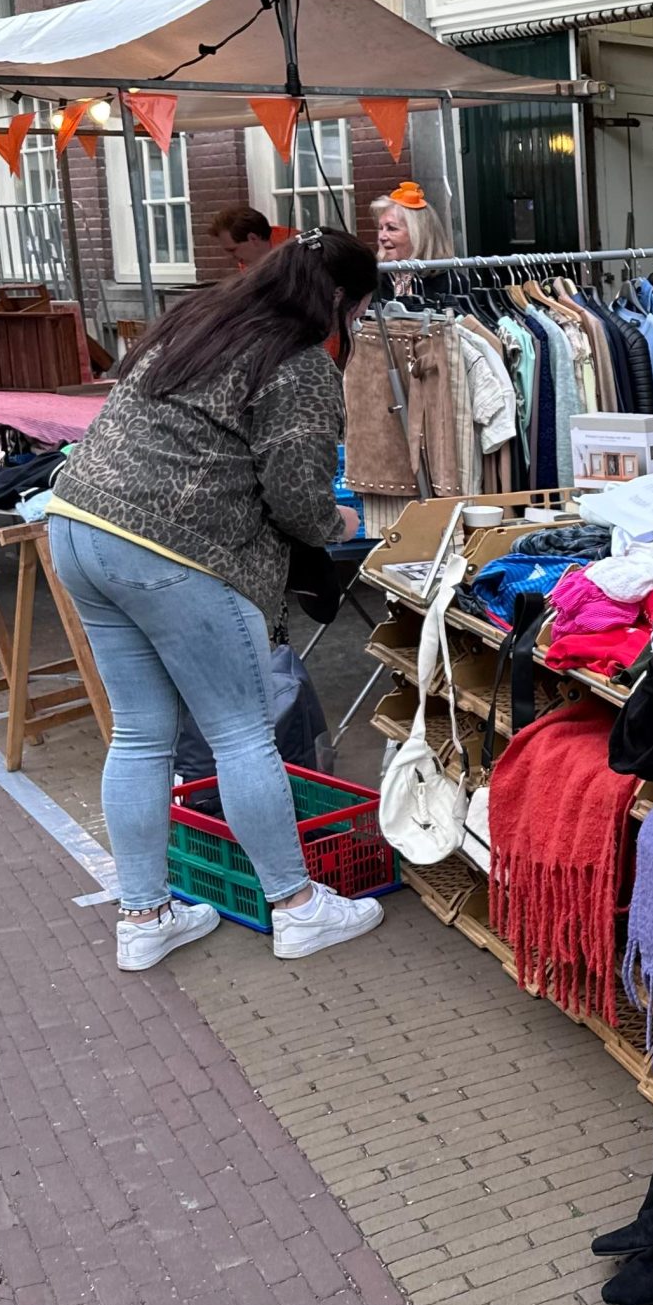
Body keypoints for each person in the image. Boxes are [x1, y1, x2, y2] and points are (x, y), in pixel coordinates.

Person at [46, 229, 387, 973]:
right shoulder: (296, 362)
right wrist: (339, 523)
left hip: (76, 527)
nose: (352, 328)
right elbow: (297, 497)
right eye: (357, 313)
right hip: (174, 550)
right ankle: (296, 908)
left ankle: (143, 918)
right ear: (338, 301)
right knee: (241, 735)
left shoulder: (196, 319)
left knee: (139, 736)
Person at [371, 181, 456, 299]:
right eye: (380, 228)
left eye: (391, 228)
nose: (382, 237)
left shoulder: (451, 284)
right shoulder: (373, 281)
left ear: (418, 234)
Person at [207, 204, 293, 270]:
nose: (230, 256)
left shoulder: (298, 247)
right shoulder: (248, 260)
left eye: (233, 250)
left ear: (253, 239)